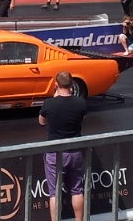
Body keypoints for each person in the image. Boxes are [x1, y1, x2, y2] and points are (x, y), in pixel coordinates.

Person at [39, 71, 87, 221]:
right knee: (77, 190)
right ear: (72, 85)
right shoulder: (80, 103)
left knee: (54, 193)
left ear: (56, 85)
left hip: (55, 153)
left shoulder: (49, 103)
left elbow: (41, 121)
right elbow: (82, 117)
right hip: (75, 151)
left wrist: (54, 99)